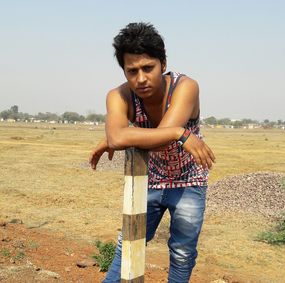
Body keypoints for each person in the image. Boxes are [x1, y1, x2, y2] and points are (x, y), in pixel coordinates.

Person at [89, 22, 215, 283]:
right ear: (124, 71)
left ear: (163, 62)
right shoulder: (119, 96)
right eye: (132, 71)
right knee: (129, 242)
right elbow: (119, 136)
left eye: (148, 68)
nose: (141, 78)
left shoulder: (185, 87)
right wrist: (178, 133)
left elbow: (153, 141)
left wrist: (124, 138)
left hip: (189, 181)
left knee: (182, 253)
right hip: (150, 178)